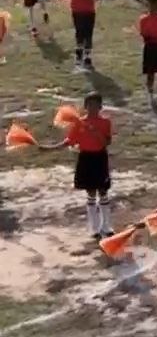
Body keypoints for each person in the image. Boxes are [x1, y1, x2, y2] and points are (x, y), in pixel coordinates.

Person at [40, 92, 113, 238]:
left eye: (95, 105)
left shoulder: (105, 122)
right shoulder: (79, 123)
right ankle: (94, 228)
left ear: (100, 107)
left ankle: (106, 226)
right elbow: (69, 141)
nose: (92, 108)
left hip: (100, 158)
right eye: (89, 105)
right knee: (91, 192)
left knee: (103, 191)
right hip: (86, 158)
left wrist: (95, 132)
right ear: (85, 106)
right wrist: (51, 148)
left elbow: (106, 142)